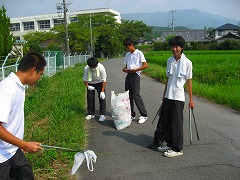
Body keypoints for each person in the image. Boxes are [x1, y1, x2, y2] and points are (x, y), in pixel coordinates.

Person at [0, 52, 46, 179]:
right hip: (1, 157)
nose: (39, 78)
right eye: (40, 74)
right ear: (33, 70)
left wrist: (20, 144)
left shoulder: (20, 87)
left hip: (13, 150)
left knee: (27, 175)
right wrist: (23, 144)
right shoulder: (7, 89)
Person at [157, 36, 194, 157]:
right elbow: (168, 79)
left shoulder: (187, 63)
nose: (174, 49)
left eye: (176, 46)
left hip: (178, 97)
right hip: (168, 96)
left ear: (181, 48)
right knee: (167, 121)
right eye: (172, 46)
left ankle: (178, 149)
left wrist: (191, 100)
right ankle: (170, 143)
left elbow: (189, 81)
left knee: (176, 123)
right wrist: (164, 94)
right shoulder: (169, 60)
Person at [122, 38, 148, 124]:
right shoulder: (127, 55)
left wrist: (136, 69)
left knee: (136, 95)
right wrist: (125, 69)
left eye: (128, 47)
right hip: (129, 75)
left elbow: (145, 65)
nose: (127, 49)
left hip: (136, 75)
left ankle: (144, 115)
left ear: (132, 45)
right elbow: (126, 66)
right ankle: (132, 114)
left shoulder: (139, 53)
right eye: (126, 48)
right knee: (128, 95)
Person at [83, 57, 107, 122]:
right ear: (89, 66)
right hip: (90, 83)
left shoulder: (101, 67)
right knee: (90, 98)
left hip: (100, 83)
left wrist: (102, 91)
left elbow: (104, 80)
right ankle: (91, 113)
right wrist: (88, 86)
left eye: (95, 66)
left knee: (102, 98)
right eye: (92, 67)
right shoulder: (87, 68)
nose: (94, 68)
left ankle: (102, 114)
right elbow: (85, 79)